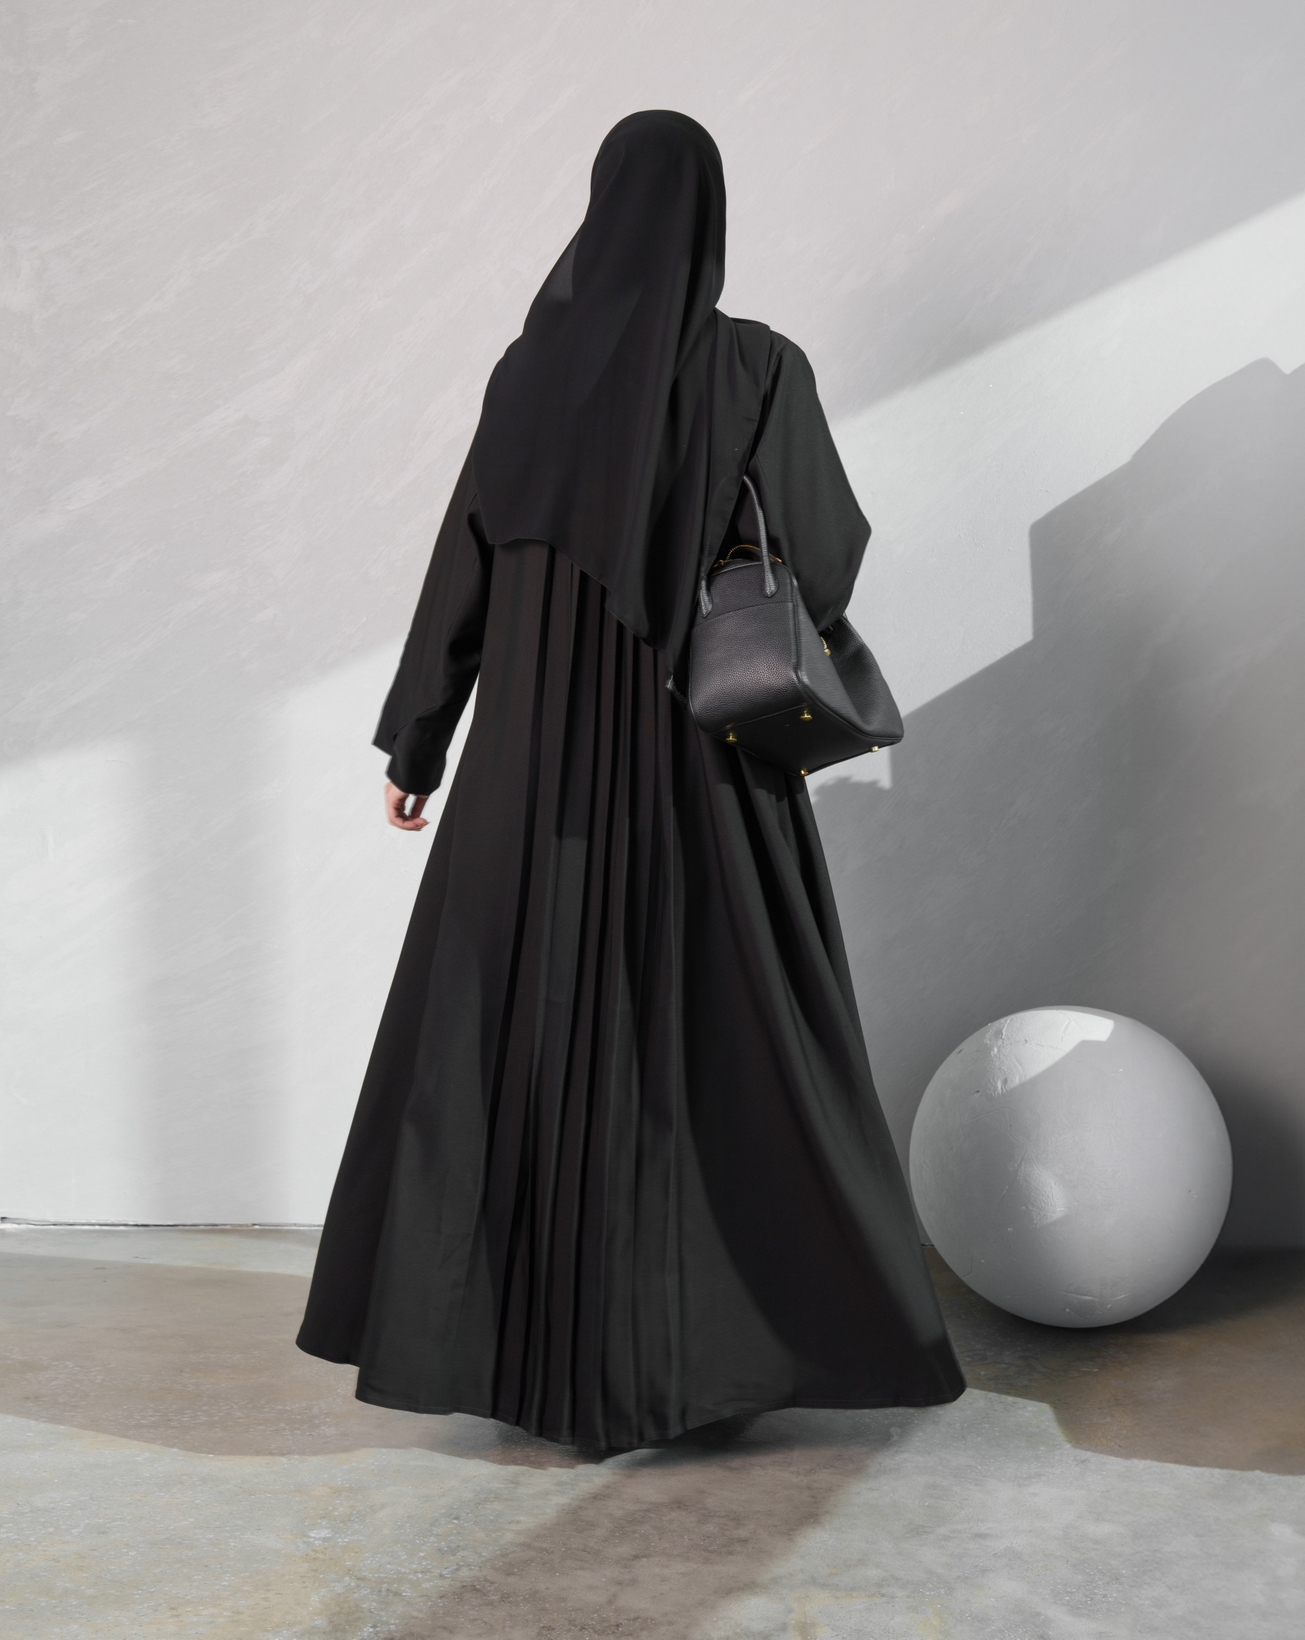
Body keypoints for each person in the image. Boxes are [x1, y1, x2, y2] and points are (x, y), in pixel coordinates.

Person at [297, 110, 964, 1449]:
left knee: (514, 1031)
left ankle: (520, 1363)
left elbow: (464, 569)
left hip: (527, 770)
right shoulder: (756, 365)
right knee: (719, 1034)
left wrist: (419, 742)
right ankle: (705, 1361)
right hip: (699, 763)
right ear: (707, 216)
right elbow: (819, 555)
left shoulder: (526, 377)